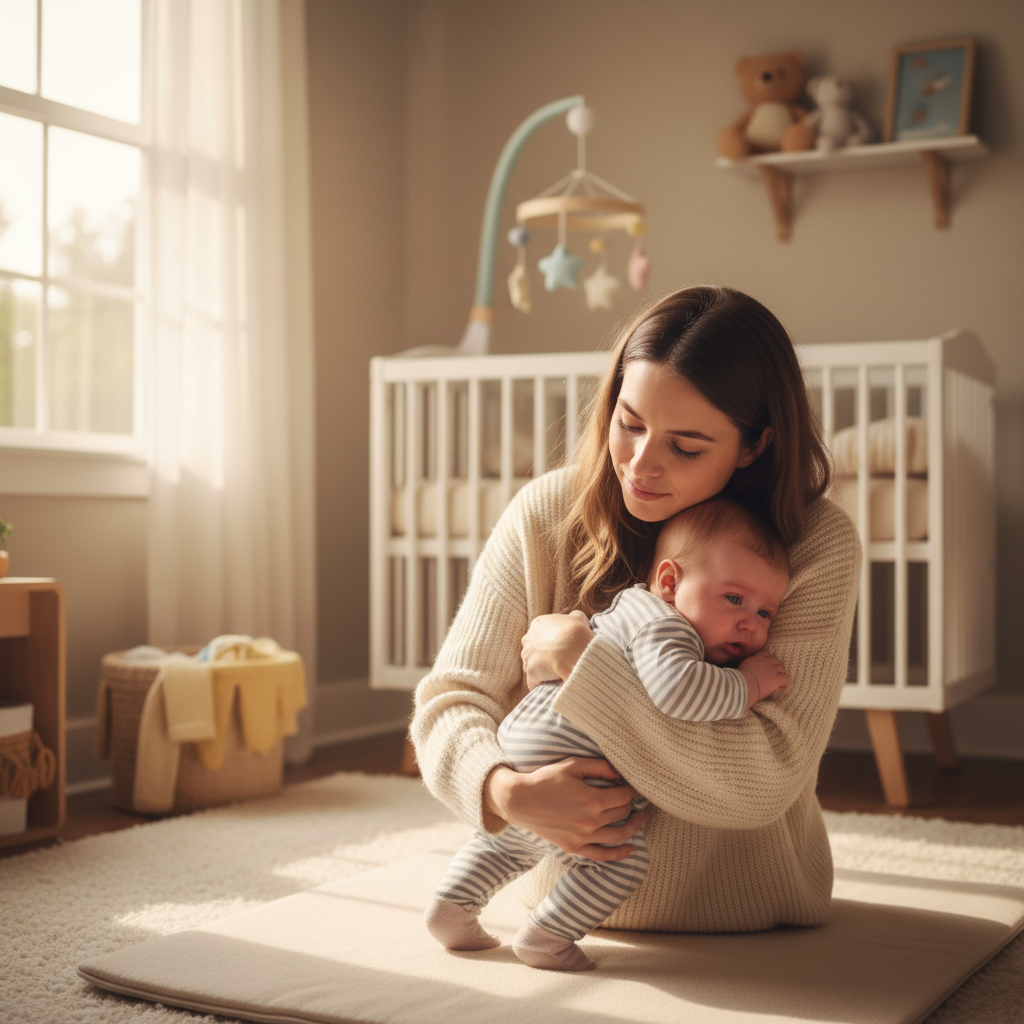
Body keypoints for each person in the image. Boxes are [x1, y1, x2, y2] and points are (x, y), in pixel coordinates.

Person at [412, 285, 860, 963]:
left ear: (752, 446)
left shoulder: (815, 544)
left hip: (753, 917)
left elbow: (766, 776)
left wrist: (581, 664)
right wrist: (507, 793)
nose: (641, 465)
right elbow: (451, 699)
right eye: (629, 423)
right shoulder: (546, 513)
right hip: (552, 900)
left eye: (685, 446)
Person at [425, 498, 791, 971]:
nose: (749, 623)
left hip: (523, 743)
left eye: (766, 614)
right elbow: (680, 693)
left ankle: (450, 911)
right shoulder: (667, 627)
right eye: (735, 599)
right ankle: (547, 936)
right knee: (618, 859)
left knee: (507, 841)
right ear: (669, 582)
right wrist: (751, 683)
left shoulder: (629, 612)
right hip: (576, 748)